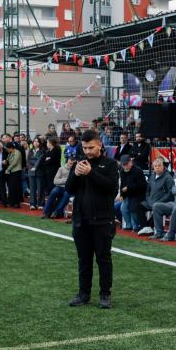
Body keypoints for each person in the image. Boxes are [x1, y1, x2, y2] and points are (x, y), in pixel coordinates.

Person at [66, 130, 121, 308]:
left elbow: (111, 189)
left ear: (100, 145)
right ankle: (83, 294)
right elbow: (68, 189)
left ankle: (105, 295)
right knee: (84, 260)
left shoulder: (111, 164)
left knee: (104, 259)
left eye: (91, 147)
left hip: (103, 220)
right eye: (85, 147)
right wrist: (75, 174)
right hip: (81, 220)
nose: (88, 151)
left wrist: (91, 173)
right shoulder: (80, 164)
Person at [139, 158, 175, 236]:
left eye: (159, 166)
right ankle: (145, 226)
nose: (157, 167)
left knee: (156, 207)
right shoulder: (152, 177)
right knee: (138, 206)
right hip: (151, 201)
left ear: (163, 166)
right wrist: (149, 200)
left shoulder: (168, 178)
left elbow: (170, 194)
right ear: (153, 167)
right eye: (155, 166)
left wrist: (160, 201)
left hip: (162, 202)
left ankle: (148, 227)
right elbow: (147, 191)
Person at [116, 155, 148, 231]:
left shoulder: (138, 171)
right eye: (123, 165)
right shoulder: (122, 171)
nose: (125, 166)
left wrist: (128, 188)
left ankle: (136, 226)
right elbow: (122, 185)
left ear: (131, 162)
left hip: (138, 194)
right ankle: (128, 224)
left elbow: (142, 185)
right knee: (123, 207)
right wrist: (121, 195)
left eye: (126, 164)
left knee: (133, 207)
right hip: (128, 195)